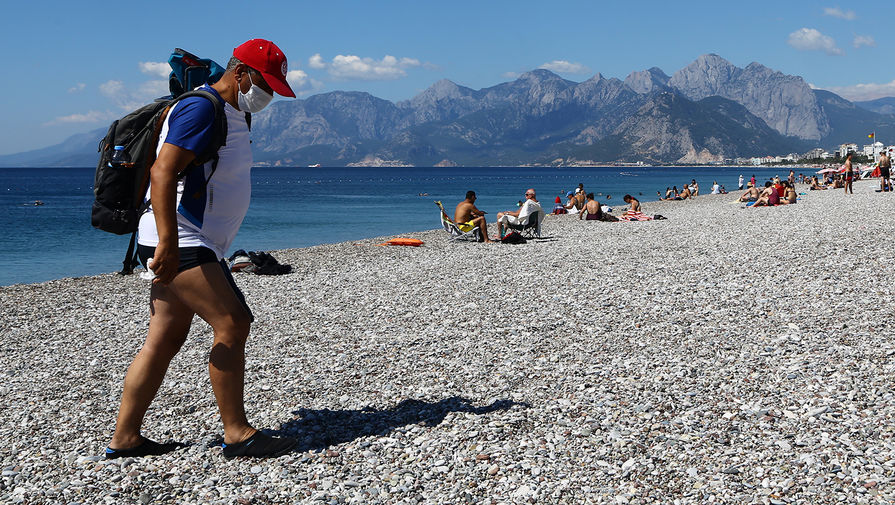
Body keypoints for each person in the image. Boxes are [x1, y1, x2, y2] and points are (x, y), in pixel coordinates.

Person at [106, 39, 299, 460]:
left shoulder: (235, 112)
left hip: (187, 238)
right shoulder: (201, 107)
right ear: (240, 72)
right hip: (181, 237)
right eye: (263, 83)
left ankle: (125, 438)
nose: (266, 95)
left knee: (164, 337)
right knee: (233, 321)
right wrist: (170, 243)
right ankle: (237, 433)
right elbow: (163, 171)